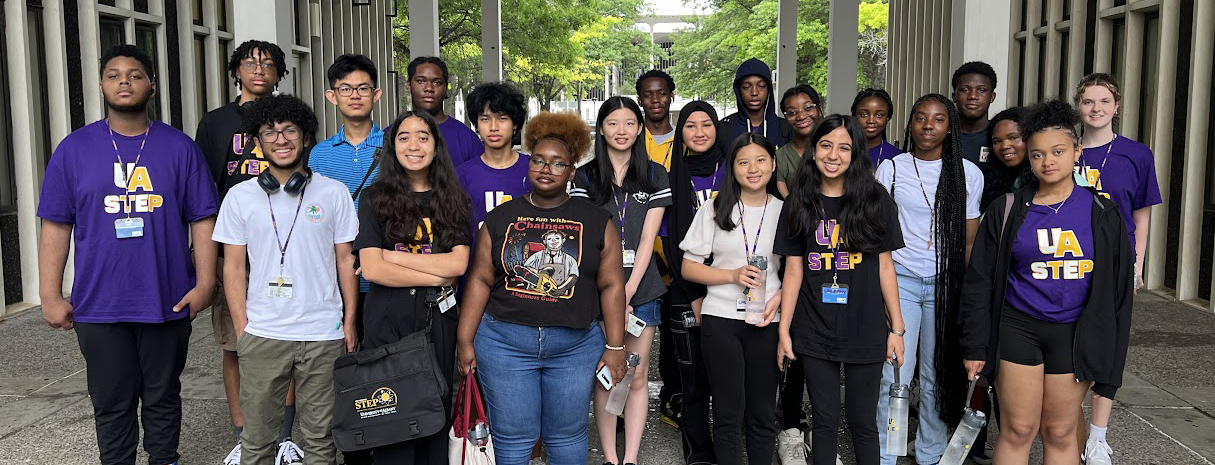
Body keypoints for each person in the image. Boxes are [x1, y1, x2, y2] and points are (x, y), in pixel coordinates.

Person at [37, 44, 218, 465]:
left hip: (167, 297)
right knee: (111, 400)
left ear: (152, 86)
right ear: (101, 85)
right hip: (99, 304)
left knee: (162, 395)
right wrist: (50, 294)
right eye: (114, 74)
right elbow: (56, 224)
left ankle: (164, 460)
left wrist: (205, 284)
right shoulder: (74, 149)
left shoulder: (180, 148)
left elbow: (204, 220)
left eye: (135, 75)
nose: (124, 81)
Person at [959, 100, 1134, 465]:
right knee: (1019, 429)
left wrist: (1111, 358)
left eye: (1058, 152)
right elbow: (979, 282)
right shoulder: (1006, 210)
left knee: (1059, 431)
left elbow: (1117, 295)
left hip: (1074, 333)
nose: (1048, 161)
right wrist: (975, 346)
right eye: (1037, 154)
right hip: (1018, 328)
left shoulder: (1103, 214)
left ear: (1077, 153)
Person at [455, 112, 628, 465]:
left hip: (575, 346)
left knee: (566, 436)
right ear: (528, 164)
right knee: (514, 438)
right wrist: (465, 339)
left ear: (571, 172)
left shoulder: (597, 220)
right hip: (504, 344)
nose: (546, 169)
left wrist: (616, 346)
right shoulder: (501, 218)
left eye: (557, 163)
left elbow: (611, 284)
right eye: (538, 160)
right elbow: (481, 278)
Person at [212, 94, 358, 465]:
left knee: (320, 441)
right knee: (257, 439)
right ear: (257, 141)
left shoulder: (333, 193)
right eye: (269, 132)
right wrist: (243, 327)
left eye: (289, 130)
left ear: (306, 136)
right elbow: (233, 267)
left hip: (322, 334)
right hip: (264, 334)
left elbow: (346, 260)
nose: (280, 139)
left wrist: (349, 322)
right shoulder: (239, 197)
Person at [193, 39, 303, 465]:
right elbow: (203, 190)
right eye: (250, 63)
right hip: (233, 246)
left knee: (287, 342)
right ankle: (245, 433)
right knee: (234, 342)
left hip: (283, 242)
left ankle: (286, 437)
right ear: (236, 70)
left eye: (269, 64)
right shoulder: (216, 122)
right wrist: (204, 255)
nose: (259, 69)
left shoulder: (291, 115)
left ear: (278, 74)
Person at [775, 114, 906, 465]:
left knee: (863, 422)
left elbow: (884, 266)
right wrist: (784, 330)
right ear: (814, 151)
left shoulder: (875, 199)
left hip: (866, 326)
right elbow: (793, 271)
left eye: (844, 147)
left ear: (855, 154)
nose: (834, 155)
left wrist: (896, 329)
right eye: (826, 145)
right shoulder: (798, 201)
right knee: (825, 420)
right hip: (814, 326)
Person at [355, 110, 472, 464]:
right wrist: (434, 271)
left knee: (434, 413)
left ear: (436, 147)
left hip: (437, 320)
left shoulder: (453, 198)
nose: (414, 145)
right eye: (404, 137)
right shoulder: (374, 198)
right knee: (391, 419)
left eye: (423, 137)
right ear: (393, 147)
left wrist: (394, 258)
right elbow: (373, 270)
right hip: (388, 322)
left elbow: (457, 266)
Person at [873, 94, 984, 465]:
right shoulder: (891, 168)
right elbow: (878, 234)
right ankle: (888, 453)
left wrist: (967, 297)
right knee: (895, 372)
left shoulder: (968, 173)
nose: (928, 125)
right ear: (909, 124)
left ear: (949, 127)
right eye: (920, 118)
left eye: (937, 119)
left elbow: (969, 241)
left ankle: (931, 453)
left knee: (938, 373)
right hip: (902, 277)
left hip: (946, 283)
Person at [571, 97, 671, 465]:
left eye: (630, 123)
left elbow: (647, 241)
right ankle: (611, 459)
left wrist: (626, 292)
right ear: (601, 129)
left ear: (640, 128)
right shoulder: (584, 176)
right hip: (597, 289)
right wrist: (611, 294)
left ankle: (631, 459)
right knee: (607, 375)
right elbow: (584, 241)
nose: (621, 130)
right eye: (613, 123)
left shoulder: (656, 174)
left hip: (641, 290)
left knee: (638, 374)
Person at [1072, 72, 1162, 465]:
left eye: (1104, 102)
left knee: (1110, 349)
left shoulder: (1137, 154)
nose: (1096, 109)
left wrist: (1137, 263)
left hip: (1118, 264)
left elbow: (1141, 216)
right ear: (1079, 106)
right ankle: (1067, 428)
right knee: (1072, 347)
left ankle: (1097, 438)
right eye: (1089, 102)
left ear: (1117, 106)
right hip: (1071, 260)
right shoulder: (1067, 149)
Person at [679, 132, 784, 465]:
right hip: (721, 318)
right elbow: (688, 268)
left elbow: (799, 272)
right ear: (731, 168)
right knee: (727, 413)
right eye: (743, 162)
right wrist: (732, 275)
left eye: (760, 160)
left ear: (773, 164)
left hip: (767, 319)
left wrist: (779, 296)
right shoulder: (714, 208)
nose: (752, 169)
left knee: (763, 414)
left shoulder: (787, 211)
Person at [667, 100, 728, 465]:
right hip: (685, 291)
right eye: (691, 125)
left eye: (707, 124)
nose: (700, 132)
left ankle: (728, 452)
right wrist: (693, 295)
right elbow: (670, 243)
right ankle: (699, 456)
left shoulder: (734, 170)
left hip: (734, 288)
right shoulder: (671, 174)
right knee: (693, 385)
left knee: (728, 381)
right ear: (681, 132)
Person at [635, 68, 683, 428]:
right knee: (633, 326)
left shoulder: (683, 139)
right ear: (640, 100)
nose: (655, 99)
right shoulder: (632, 139)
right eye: (649, 94)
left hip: (677, 243)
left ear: (670, 96)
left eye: (661, 93)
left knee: (673, 325)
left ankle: (672, 396)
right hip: (639, 247)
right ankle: (618, 399)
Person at [457, 82, 531, 236]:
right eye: (485, 119)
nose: (493, 127)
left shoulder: (533, 169)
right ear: (476, 125)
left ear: (515, 124)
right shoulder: (462, 175)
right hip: (475, 259)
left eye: (502, 118)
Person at [407, 56, 482, 167]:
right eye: (421, 81)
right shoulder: (390, 136)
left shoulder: (467, 138)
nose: (429, 88)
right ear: (409, 86)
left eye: (437, 83)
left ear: (446, 89)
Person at [721, 58, 791, 148]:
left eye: (761, 86)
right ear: (738, 90)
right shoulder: (723, 129)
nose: (754, 92)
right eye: (746, 87)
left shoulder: (786, 128)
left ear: (769, 89)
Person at [979, 107, 1033, 211]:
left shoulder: (1047, 177)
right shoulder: (986, 179)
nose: (1004, 146)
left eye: (1013, 137)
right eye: (997, 141)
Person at [775, 84, 823, 198]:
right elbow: (788, 202)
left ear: (820, 109)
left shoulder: (835, 150)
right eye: (792, 112)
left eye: (808, 108)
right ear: (786, 118)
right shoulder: (781, 157)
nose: (801, 116)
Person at [951, 61, 998, 166]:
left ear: (992, 97)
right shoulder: (942, 134)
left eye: (981, 90)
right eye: (965, 89)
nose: (973, 96)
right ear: (954, 96)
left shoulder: (999, 136)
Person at [851, 88, 900, 167]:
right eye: (864, 114)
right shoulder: (842, 151)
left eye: (879, 115)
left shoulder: (897, 157)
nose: (871, 121)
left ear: (888, 118)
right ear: (854, 116)